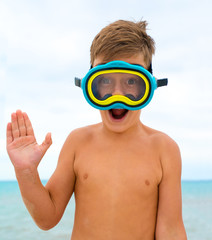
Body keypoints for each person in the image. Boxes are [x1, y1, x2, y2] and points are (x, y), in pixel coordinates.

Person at [6, 19, 187, 240]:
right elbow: (47, 218)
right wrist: (26, 173)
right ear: (90, 85)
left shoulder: (164, 149)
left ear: (149, 86)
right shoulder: (78, 142)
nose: (117, 95)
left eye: (132, 82)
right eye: (106, 82)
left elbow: (171, 230)